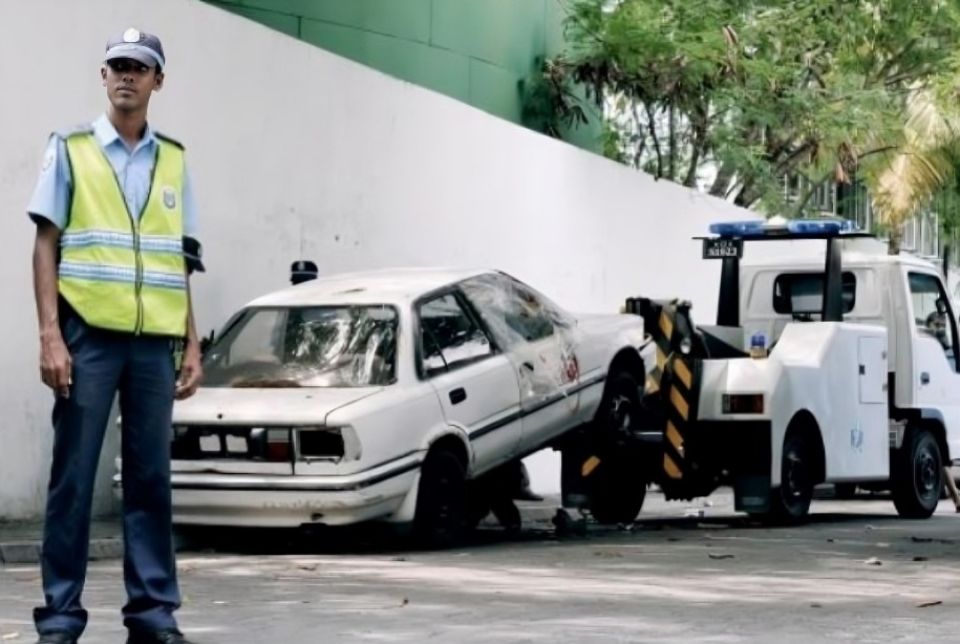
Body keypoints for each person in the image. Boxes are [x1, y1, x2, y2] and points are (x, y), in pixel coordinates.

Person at [28, 28, 203, 644]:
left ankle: (153, 615)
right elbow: (45, 244)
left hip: (154, 344)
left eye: (140, 67)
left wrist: (192, 342)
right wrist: (51, 335)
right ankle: (59, 617)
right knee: (74, 478)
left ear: (158, 81)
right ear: (103, 77)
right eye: (117, 66)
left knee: (152, 480)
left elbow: (179, 259)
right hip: (87, 339)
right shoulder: (71, 149)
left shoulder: (176, 158)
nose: (127, 75)